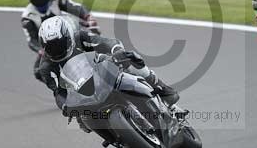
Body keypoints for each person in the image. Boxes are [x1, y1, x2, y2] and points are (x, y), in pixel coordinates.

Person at [36, 16, 180, 117]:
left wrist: (117, 52)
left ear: (68, 36)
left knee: (132, 60)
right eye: (51, 47)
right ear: (43, 46)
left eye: (59, 44)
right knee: (81, 119)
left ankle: (162, 90)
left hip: (104, 70)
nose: (57, 49)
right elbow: (58, 92)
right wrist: (65, 106)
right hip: (83, 92)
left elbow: (107, 43)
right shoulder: (45, 68)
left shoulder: (80, 37)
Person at [21, 0, 99, 84]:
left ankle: (110, 60)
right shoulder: (27, 16)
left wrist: (88, 17)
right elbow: (31, 40)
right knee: (38, 72)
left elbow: (75, 7)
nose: (41, 2)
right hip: (49, 46)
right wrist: (40, 50)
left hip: (70, 32)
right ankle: (63, 86)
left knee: (93, 40)